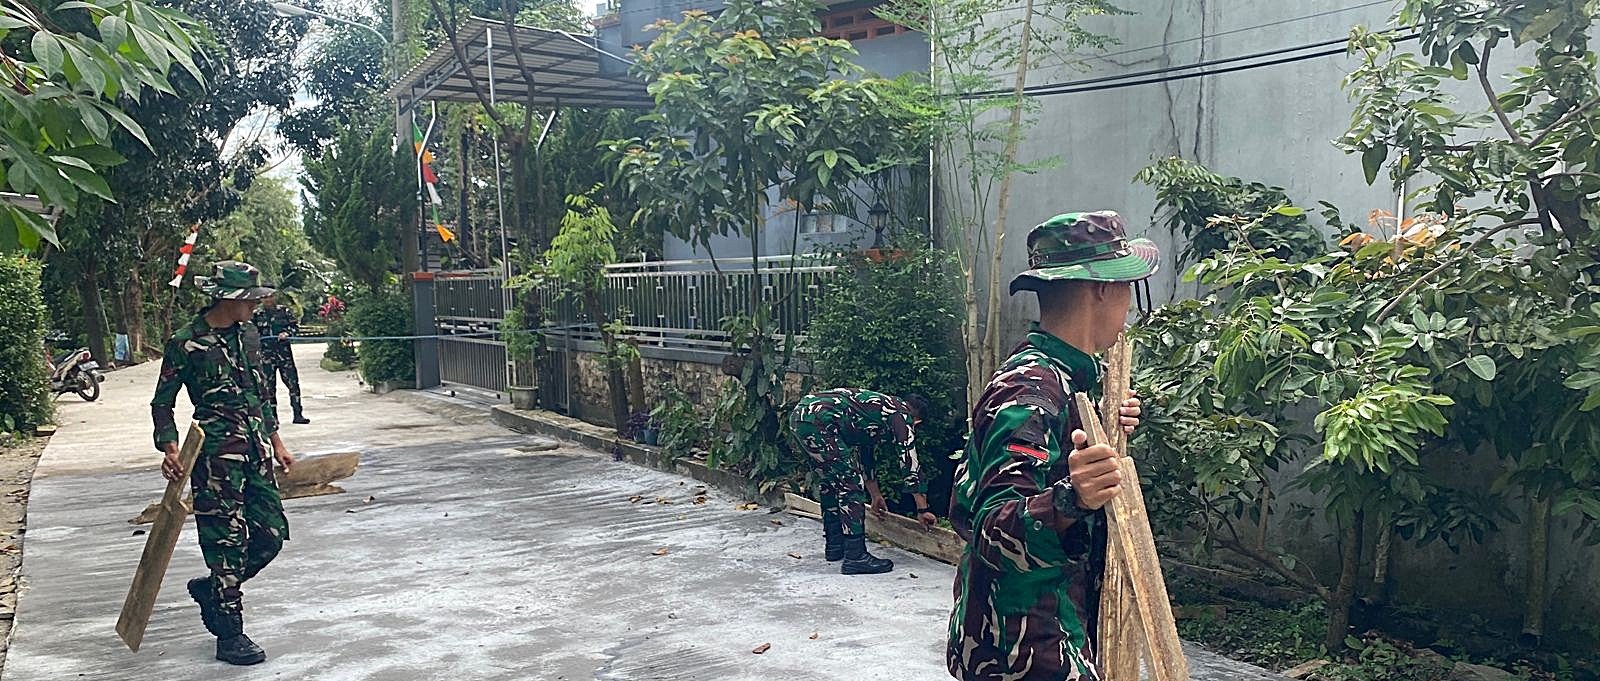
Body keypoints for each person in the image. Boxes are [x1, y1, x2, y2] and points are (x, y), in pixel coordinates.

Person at [946, 211, 1153, 681]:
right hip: (1029, 648)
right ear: (1102, 288)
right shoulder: (1031, 390)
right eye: (1128, 287)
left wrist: (1103, 427)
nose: (1129, 307)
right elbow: (989, 527)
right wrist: (1071, 497)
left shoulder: (1068, 378)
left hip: (1054, 627)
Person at [152, 261, 295, 666]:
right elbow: (162, 402)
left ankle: (212, 589)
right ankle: (229, 635)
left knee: (271, 535)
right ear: (227, 300)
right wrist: (170, 448)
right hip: (216, 460)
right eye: (249, 300)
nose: (255, 306)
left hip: (256, 453)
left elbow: (260, 395)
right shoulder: (185, 342)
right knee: (226, 544)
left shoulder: (248, 334)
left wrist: (276, 441)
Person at [789, 388, 937, 575]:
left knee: (830, 480)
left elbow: (865, 455)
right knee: (850, 483)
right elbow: (909, 463)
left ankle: (835, 546)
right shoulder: (901, 415)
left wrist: (875, 496)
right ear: (917, 421)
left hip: (801, 417)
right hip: (820, 420)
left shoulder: (880, 410)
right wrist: (923, 509)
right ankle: (855, 556)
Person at [252, 289, 309, 424]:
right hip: (266, 356)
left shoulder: (284, 311)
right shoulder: (256, 315)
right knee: (269, 388)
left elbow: (295, 327)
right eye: (265, 297)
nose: (268, 300)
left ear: (274, 297)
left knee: (293, 384)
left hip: (284, 354)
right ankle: (273, 419)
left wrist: (287, 333)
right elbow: (250, 332)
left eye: (270, 297)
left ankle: (298, 414)